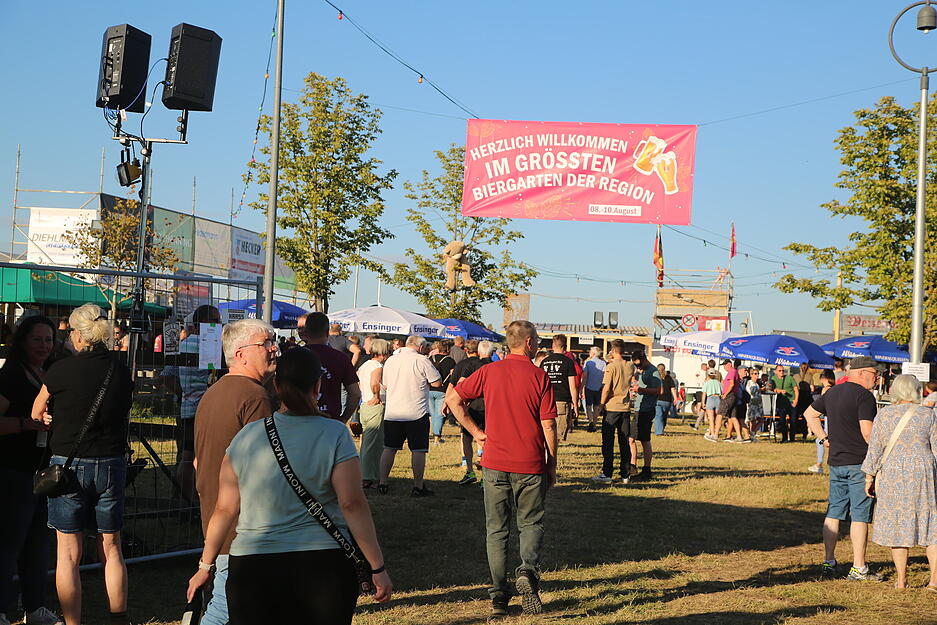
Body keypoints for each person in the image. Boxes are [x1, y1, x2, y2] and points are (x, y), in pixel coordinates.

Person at [187, 347, 392, 624]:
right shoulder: (334, 434)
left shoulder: (247, 437)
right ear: (318, 386)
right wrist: (376, 565)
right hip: (322, 564)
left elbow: (224, 509)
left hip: (252, 565)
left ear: (276, 386)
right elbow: (351, 503)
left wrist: (205, 565)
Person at [444, 320, 557, 618]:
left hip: (494, 462)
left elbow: (453, 398)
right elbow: (548, 424)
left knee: (496, 530)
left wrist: (476, 432)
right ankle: (527, 572)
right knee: (530, 524)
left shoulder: (489, 371)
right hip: (530, 462)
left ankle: (498, 597)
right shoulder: (539, 377)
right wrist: (552, 463)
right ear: (529, 342)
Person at [31, 304, 134, 625]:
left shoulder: (61, 371)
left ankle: (73, 622)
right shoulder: (120, 372)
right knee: (112, 547)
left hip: (68, 466)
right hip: (111, 463)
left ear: (77, 334)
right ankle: (118, 618)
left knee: (68, 555)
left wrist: (50, 416)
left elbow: (37, 412)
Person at [193, 319, 278, 625]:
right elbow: (268, 470)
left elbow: (197, 463)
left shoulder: (214, 392)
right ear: (241, 354)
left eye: (274, 341)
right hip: (244, 527)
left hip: (220, 521)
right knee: (223, 610)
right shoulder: (254, 397)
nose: (274, 349)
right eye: (265, 343)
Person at [0, 316, 63, 625]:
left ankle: (35, 608)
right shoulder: (10, 376)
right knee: (8, 544)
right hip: (13, 471)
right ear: (23, 341)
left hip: (41, 473)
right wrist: (28, 423)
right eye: (37, 339)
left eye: (49, 340)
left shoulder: (47, 373)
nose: (44, 346)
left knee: (38, 544)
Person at [802, 356, 880, 581]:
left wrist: (824, 437)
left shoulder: (833, 392)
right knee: (860, 516)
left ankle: (829, 561)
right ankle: (858, 567)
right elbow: (867, 432)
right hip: (859, 462)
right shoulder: (865, 396)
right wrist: (879, 455)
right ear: (861, 373)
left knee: (834, 511)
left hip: (836, 460)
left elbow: (810, 414)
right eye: (874, 374)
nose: (876, 378)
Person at [861, 374, 937, 590]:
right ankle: (934, 581)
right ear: (915, 391)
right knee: (931, 524)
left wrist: (869, 477)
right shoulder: (928, 415)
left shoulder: (884, 415)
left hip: (893, 472)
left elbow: (875, 449)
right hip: (923, 471)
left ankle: (902, 580)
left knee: (897, 524)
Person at [159, 304, 222, 502]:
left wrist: (184, 392)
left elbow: (166, 376)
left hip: (186, 406)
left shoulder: (182, 344)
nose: (219, 324)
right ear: (207, 322)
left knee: (186, 455)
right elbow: (216, 378)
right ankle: (199, 499)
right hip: (208, 408)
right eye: (217, 320)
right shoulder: (211, 344)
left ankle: (185, 499)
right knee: (205, 457)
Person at [379, 336, 441, 496]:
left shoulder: (391, 360)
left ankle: (382, 483)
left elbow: (385, 384)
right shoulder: (421, 360)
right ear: (420, 347)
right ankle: (418, 486)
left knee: (389, 448)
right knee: (418, 450)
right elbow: (437, 382)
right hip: (416, 412)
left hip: (393, 412)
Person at [297, 313, 361, 422]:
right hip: (331, 421)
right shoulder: (341, 358)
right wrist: (343, 418)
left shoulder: (293, 356)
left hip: (298, 419)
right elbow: (355, 394)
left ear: (306, 332)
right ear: (327, 333)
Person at [447, 340, 492, 486]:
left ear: (479, 352)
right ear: (492, 353)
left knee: (466, 438)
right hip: (491, 407)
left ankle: (470, 471)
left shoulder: (471, 365)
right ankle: (486, 475)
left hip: (473, 406)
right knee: (490, 440)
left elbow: (461, 384)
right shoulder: (496, 366)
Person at [591, 339, 633, 484]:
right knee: (624, 442)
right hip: (625, 407)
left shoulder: (611, 367)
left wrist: (601, 405)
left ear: (613, 350)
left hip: (612, 407)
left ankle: (607, 472)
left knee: (608, 443)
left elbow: (607, 388)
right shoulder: (630, 366)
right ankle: (625, 474)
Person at [357, 338, 391, 489]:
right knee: (373, 444)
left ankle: (365, 474)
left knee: (366, 442)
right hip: (374, 406)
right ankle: (367, 477)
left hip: (364, 405)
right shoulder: (378, 366)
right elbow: (374, 382)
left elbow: (359, 382)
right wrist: (376, 396)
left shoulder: (365, 365)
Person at [539, 335, 578, 441]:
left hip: (546, 400)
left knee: (546, 431)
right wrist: (575, 404)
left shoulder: (544, 362)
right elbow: (572, 386)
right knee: (558, 435)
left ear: (553, 345)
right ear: (565, 347)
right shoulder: (568, 362)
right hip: (562, 400)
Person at [630, 351, 660, 481]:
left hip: (646, 410)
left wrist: (640, 390)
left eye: (639, 365)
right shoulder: (644, 371)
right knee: (631, 439)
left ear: (644, 359)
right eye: (636, 366)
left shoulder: (653, 371)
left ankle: (646, 470)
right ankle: (633, 467)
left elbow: (659, 390)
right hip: (639, 408)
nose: (638, 368)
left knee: (644, 440)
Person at [807, 369, 837, 474]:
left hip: (829, 417)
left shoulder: (826, 389)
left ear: (823, 378)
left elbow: (823, 405)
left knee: (822, 440)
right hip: (832, 417)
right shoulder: (834, 388)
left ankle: (819, 465)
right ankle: (820, 464)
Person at [429, 342, 456, 445]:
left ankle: (435, 433)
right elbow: (454, 376)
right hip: (443, 390)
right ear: (448, 349)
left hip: (430, 389)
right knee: (439, 414)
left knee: (433, 415)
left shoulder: (430, 359)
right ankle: (437, 438)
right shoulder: (450, 361)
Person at [771, 365, 798, 443]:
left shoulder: (789, 378)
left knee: (793, 420)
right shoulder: (773, 379)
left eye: (783, 370)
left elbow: (796, 389)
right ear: (776, 372)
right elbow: (772, 389)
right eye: (779, 371)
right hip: (781, 402)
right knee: (782, 420)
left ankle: (792, 438)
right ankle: (784, 438)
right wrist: (779, 390)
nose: (782, 372)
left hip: (791, 401)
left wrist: (796, 400)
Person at [581, 347, 606, 433]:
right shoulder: (603, 363)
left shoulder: (588, 363)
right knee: (596, 407)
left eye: (591, 351)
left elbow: (585, 376)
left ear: (594, 353)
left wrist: (581, 388)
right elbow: (604, 377)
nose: (589, 353)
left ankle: (590, 421)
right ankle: (594, 424)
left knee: (588, 406)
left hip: (589, 387)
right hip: (598, 388)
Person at [655, 363, 675, 436]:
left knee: (660, 416)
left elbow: (672, 388)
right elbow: (673, 389)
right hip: (666, 400)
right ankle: (659, 432)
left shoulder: (656, 377)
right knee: (661, 415)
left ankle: (660, 430)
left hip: (659, 399)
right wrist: (675, 398)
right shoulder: (668, 378)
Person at [744, 367, 764, 441]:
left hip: (758, 404)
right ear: (751, 375)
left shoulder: (757, 384)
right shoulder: (750, 382)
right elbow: (752, 392)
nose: (757, 375)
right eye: (755, 374)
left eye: (758, 373)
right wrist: (761, 390)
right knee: (752, 420)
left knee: (761, 420)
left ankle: (753, 433)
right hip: (752, 404)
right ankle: (752, 435)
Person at [702, 370, 722, 440]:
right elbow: (721, 393)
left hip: (710, 399)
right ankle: (716, 433)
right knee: (718, 419)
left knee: (711, 419)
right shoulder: (718, 383)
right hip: (717, 399)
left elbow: (704, 393)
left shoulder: (707, 383)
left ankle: (712, 434)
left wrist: (703, 403)